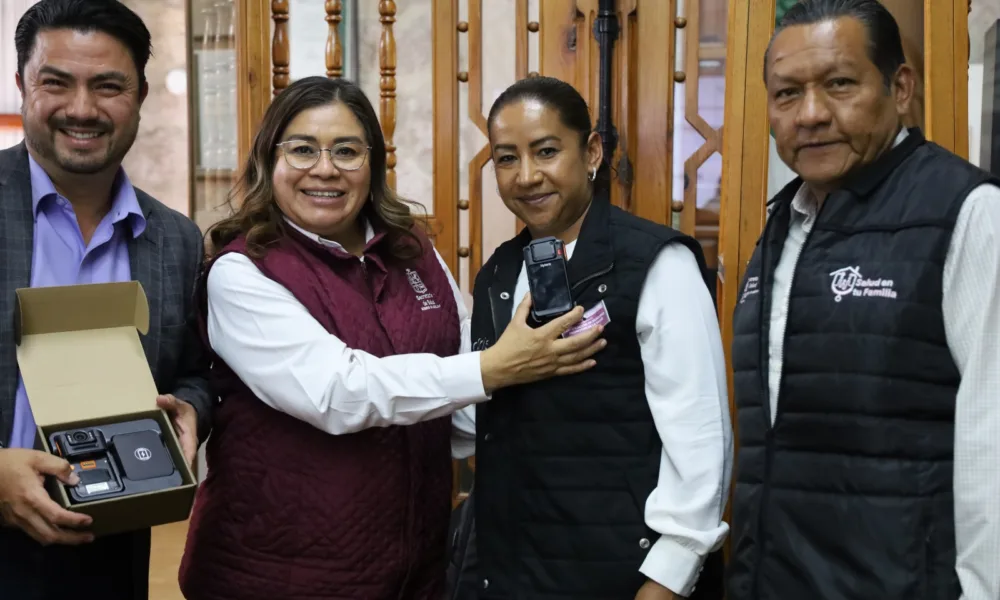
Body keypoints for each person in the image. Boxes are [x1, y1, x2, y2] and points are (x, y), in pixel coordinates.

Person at [177, 75, 605, 600]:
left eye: (347, 151)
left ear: (373, 164)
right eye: (303, 149)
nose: (325, 168)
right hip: (278, 575)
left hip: (414, 572)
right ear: (270, 160)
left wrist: (574, 423)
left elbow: (463, 378)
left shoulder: (411, 250)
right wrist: (493, 370)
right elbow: (336, 392)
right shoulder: (243, 270)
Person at [727, 1, 1000, 599]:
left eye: (840, 84)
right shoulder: (785, 223)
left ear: (900, 88)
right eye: (787, 94)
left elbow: (993, 445)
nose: (811, 114)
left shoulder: (969, 213)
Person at [464, 76, 733, 600]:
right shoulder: (498, 274)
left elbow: (702, 439)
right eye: (506, 158)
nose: (527, 176)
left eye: (546, 151)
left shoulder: (659, 264)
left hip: (627, 575)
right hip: (518, 572)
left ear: (590, 152)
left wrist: (669, 578)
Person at [0, 1, 213, 598]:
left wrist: (191, 411)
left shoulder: (177, 240)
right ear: (22, 85)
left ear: (140, 95)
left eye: (108, 86)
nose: (82, 109)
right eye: (56, 82)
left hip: (112, 546)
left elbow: (196, 372)